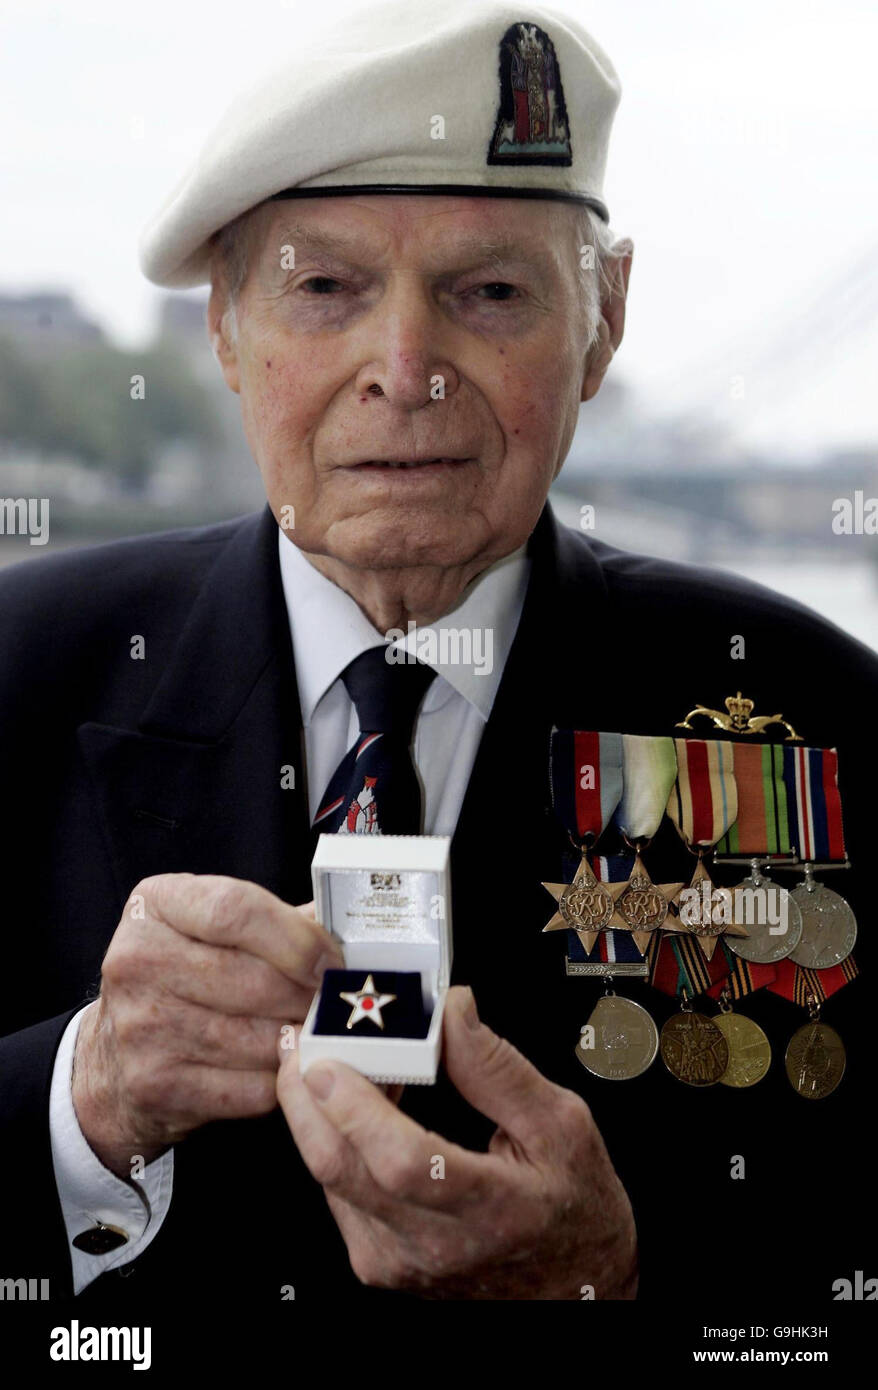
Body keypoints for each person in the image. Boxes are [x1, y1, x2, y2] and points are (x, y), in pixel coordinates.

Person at [1, 1, 875, 1307]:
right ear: (225, 334)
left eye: (489, 291)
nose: (403, 369)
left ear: (604, 320)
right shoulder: (20, 674)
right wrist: (84, 1100)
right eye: (325, 288)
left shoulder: (819, 718)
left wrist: (621, 1279)